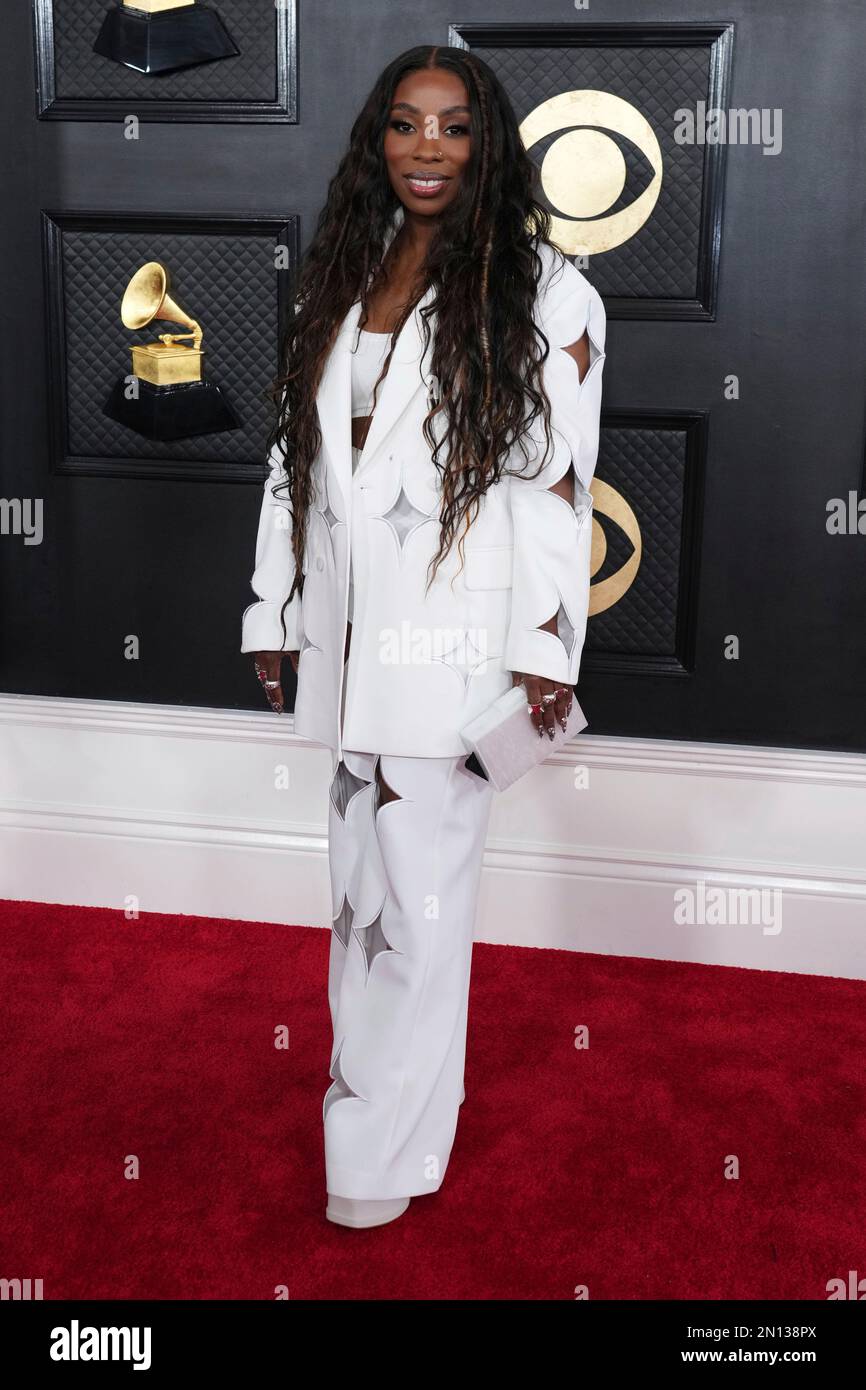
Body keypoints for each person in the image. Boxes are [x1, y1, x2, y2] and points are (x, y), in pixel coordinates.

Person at [240, 44, 606, 1228]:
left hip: (450, 658)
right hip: (349, 650)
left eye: (451, 126)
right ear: (377, 142)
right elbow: (292, 466)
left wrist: (544, 652)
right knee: (362, 900)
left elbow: (556, 485)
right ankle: (388, 1133)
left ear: (485, 141)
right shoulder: (338, 276)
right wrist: (276, 609)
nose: (428, 147)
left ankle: (377, 1158)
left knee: (418, 909)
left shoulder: (549, 291)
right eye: (405, 125)